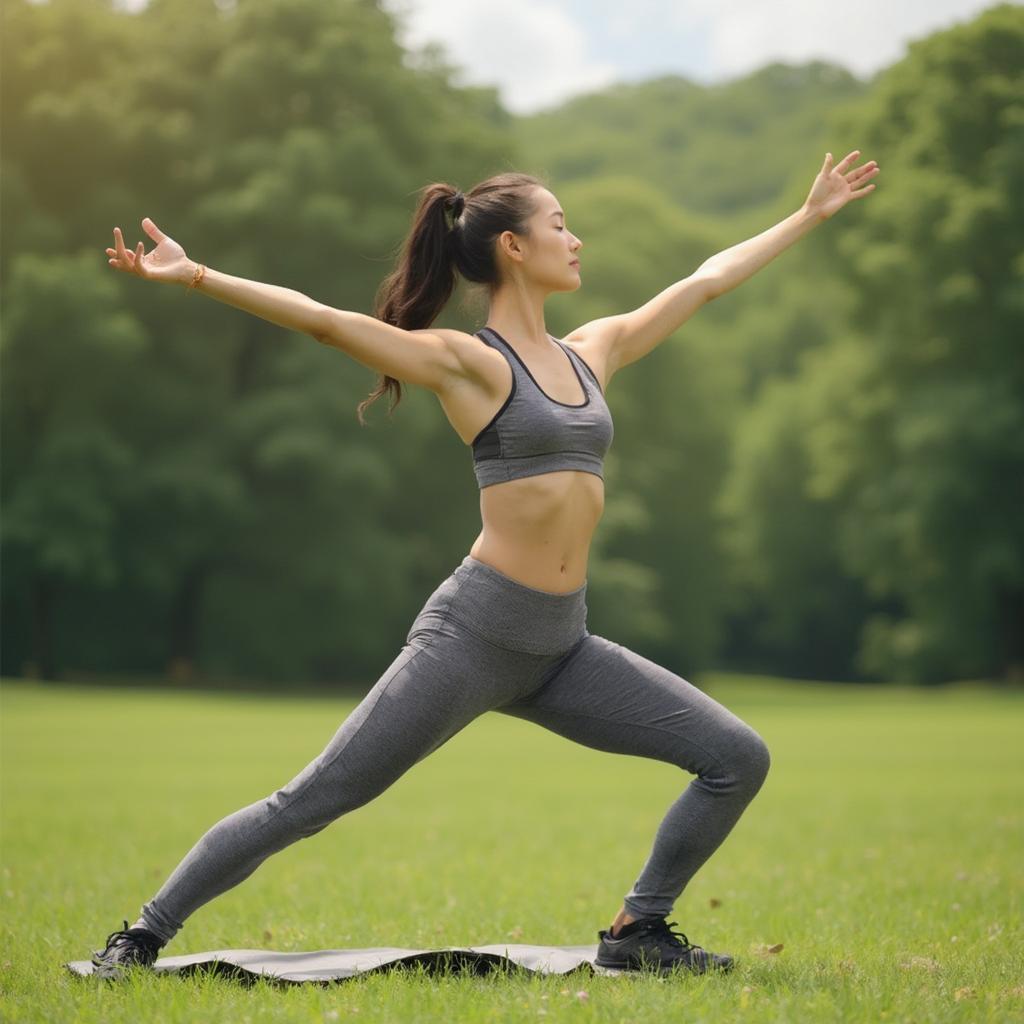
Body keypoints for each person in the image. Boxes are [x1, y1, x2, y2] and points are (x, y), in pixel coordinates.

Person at [90, 152, 879, 979]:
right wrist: (197, 276)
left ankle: (638, 929)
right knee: (315, 799)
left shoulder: (591, 352)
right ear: (512, 245)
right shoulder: (469, 364)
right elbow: (325, 320)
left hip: (563, 648)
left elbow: (706, 280)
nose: (576, 240)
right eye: (560, 224)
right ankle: (139, 938)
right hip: (472, 638)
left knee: (736, 757)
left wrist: (808, 213)